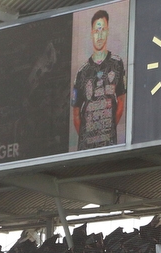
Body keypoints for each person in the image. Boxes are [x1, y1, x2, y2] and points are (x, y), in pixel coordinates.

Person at [71, 9, 126, 150]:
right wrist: (87, 136)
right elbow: (76, 114)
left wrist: (109, 128)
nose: (99, 35)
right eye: (96, 31)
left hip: (109, 143)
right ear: (91, 33)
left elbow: (121, 102)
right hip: (86, 147)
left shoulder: (117, 63)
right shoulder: (82, 72)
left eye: (103, 30)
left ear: (107, 31)